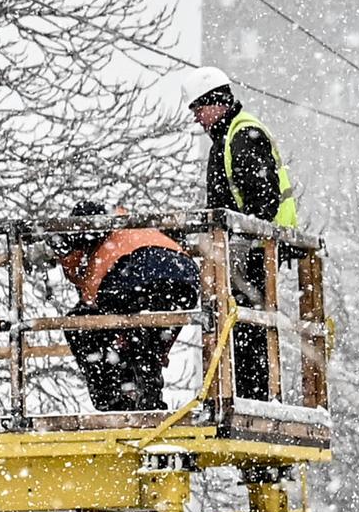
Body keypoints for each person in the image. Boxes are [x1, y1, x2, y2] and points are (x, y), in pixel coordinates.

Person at [187, 69, 297, 401]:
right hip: (244, 251)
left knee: (248, 326)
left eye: (198, 110)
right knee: (236, 324)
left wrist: (239, 245)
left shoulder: (243, 136)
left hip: (257, 251)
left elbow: (263, 203)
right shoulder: (226, 141)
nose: (197, 120)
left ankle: (255, 398)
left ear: (216, 103)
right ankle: (245, 395)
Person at [50, 203, 202, 412]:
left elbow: (91, 309)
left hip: (134, 269)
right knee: (147, 339)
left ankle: (114, 399)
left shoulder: (97, 250)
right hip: (184, 274)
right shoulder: (133, 225)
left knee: (84, 325)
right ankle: (148, 398)